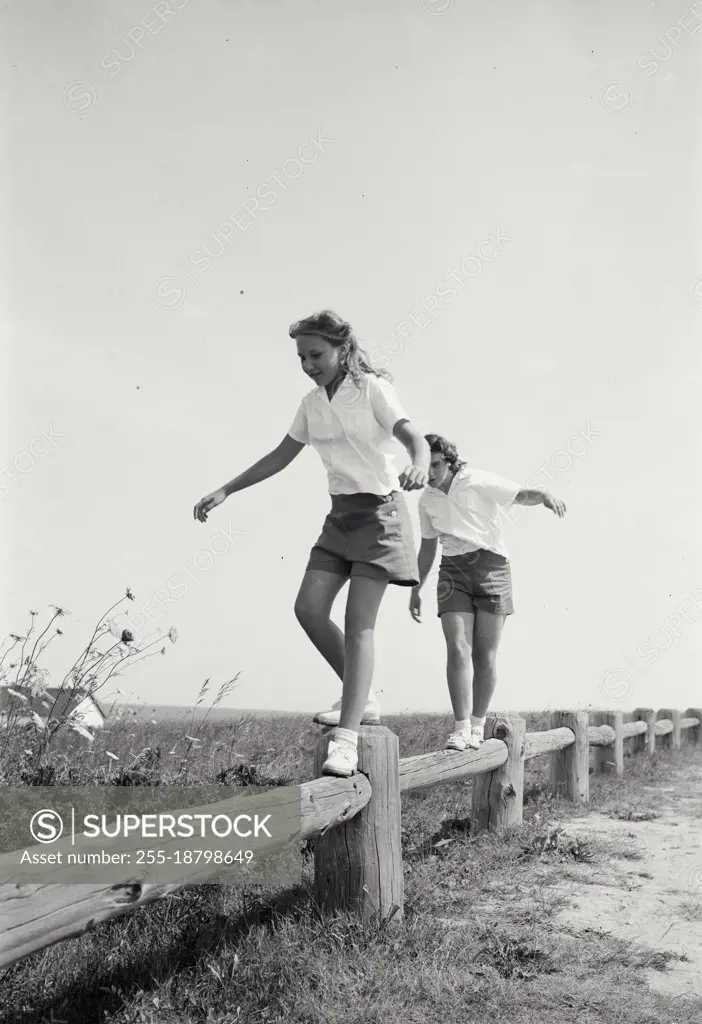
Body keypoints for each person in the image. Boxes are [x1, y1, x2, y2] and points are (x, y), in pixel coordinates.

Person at [193, 310, 429, 778]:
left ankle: (347, 739)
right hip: (340, 517)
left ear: (342, 349)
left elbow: (412, 437)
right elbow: (281, 456)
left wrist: (420, 463)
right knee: (308, 609)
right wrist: (227, 489)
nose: (308, 363)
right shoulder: (310, 404)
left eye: (315, 354)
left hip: (381, 515)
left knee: (358, 623)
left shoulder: (373, 390)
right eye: (301, 356)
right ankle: (365, 699)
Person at [410, 434, 566, 752]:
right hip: (453, 572)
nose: (431, 473)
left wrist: (545, 494)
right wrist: (415, 588)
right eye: (426, 467)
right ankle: (461, 727)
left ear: (450, 462)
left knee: (486, 656)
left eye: (437, 465)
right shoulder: (426, 500)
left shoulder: (475, 480)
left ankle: (478, 724)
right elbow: (427, 548)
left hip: (492, 568)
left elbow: (519, 494)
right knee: (457, 647)